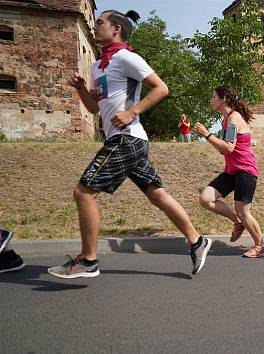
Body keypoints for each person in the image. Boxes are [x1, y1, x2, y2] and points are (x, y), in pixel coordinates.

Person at [49, 10, 211, 279]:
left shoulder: (126, 57)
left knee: (84, 192)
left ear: (117, 29)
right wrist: (80, 89)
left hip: (128, 138)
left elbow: (161, 88)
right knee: (157, 195)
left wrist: (132, 112)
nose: (94, 25)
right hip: (125, 139)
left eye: (100, 22)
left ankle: (88, 261)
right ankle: (196, 241)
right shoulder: (98, 65)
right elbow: (93, 108)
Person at [194, 85, 264, 258]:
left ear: (223, 99)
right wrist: (211, 138)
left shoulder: (234, 118)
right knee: (206, 198)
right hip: (231, 171)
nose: (211, 100)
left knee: (244, 211)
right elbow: (223, 150)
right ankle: (238, 222)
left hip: (245, 170)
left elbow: (228, 147)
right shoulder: (226, 120)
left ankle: (261, 245)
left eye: (214, 97)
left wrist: (206, 134)